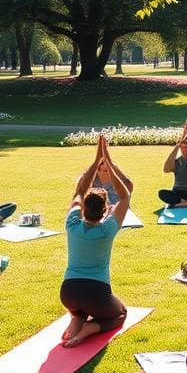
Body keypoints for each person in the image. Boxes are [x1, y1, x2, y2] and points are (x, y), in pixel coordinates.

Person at [60, 134, 130, 348]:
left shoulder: (72, 223)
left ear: (83, 209)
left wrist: (96, 158)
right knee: (121, 313)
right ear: (106, 210)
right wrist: (107, 159)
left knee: (80, 307)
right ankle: (89, 329)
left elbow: (80, 190)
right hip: (97, 294)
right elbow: (125, 196)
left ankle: (77, 319)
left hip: (68, 293)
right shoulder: (108, 229)